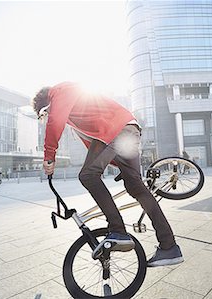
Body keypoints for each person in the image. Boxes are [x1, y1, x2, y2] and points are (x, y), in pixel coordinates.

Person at [32, 82, 183, 267]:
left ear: (46, 104)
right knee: (135, 186)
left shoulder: (59, 92)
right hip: (129, 129)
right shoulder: (75, 107)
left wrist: (49, 156)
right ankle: (169, 247)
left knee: (88, 175)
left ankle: (118, 230)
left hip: (116, 130)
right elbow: (96, 144)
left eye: (44, 114)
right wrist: (116, 163)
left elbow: (57, 123)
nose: (47, 117)